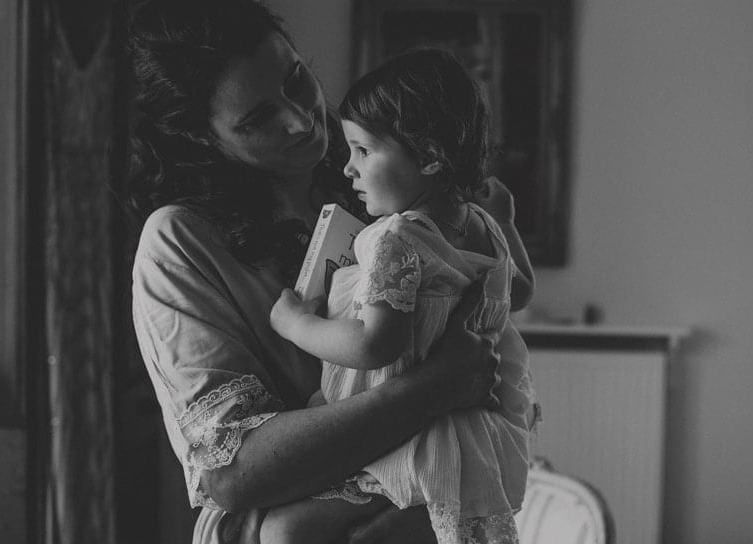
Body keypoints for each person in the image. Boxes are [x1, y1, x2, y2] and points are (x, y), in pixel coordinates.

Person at [126, 1, 531, 543]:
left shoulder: (391, 188)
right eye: (257, 118)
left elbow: (486, 341)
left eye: (296, 80)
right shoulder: (182, 243)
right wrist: (433, 389)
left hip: (429, 500)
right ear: (202, 136)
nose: (299, 120)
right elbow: (235, 471)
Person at [262, 49, 536, 544]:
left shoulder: (398, 238)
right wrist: (510, 223)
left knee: (286, 531)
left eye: (363, 151)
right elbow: (520, 292)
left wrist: (295, 324)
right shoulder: (484, 227)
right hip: (472, 433)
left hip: (410, 438)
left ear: (429, 157)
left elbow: (374, 345)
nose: (348, 169)